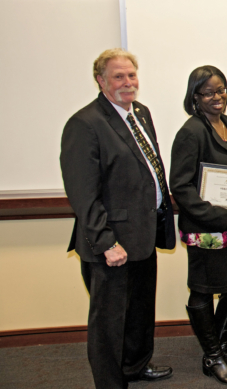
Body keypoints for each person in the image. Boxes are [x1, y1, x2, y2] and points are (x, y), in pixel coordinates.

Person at [60, 48, 175, 389]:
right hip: (112, 241)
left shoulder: (140, 112)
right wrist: (106, 241)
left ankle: (135, 366)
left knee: (139, 312)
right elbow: (82, 193)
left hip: (144, 233)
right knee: (109, 323)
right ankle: (112, 382)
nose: (128, 83)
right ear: (101, 81)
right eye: (118, 77)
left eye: (132, 75)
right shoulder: (85, 124)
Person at [169, 66, 227, 386]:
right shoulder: (191, 131)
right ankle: (213, 357)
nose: (217, 98)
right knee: (203, 290)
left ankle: (220, 349)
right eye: (209, 93)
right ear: (195, 97)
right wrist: (218, 214)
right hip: (207, 229)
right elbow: (181, 186)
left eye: (222, 90)